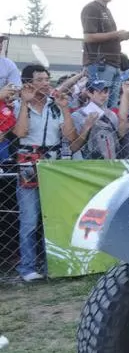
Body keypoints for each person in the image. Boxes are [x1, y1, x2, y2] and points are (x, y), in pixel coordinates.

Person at [12, 65, 78, 281]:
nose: (45, 83)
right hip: (28, 162)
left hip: (52, 162)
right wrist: (25, 103)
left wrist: (66, 108)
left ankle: (55, 263)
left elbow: (69, 136)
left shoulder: (55, 106)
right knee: (30, 219)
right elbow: (20, 133)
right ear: (28, 83)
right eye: (39, 79)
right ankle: (28, 267)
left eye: (47, 79)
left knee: (54, 216)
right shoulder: (17, 104)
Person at [81, 0, 129, 108]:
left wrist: (126, 35)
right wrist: (117, 34)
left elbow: (108, 37)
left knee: (111, 107)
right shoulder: (91, 8)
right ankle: (96, 129)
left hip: (112, 63)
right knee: (100, 105)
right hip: (100, 63)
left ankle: (107, 129)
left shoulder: (106, 10)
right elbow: (88, 37)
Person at [70, 80, 120, 159]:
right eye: (99, 92)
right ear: (89, 93)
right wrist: (87, 127)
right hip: (86, 163)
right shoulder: (77, 115)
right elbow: (73, 147)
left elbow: (117, 140)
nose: (104, 95)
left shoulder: (112, 115)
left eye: (106, 92)